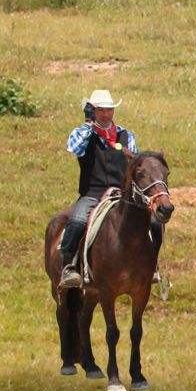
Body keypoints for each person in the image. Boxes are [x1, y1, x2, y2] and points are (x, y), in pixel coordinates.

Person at [56, 90, 138, 284]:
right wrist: (88, 124)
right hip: (93, 192)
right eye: (100, 110)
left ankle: (151, 267)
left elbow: (136, 162)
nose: (105, 114)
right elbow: (75, 148)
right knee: (76, 221)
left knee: (151, 222)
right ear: (93, 111)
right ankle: (68, 266)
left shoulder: (126, 134)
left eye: (109, 110)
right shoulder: (82, 133)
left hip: (121, 193)